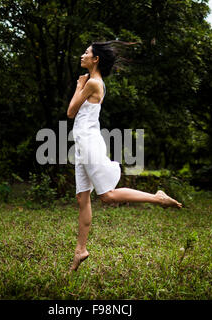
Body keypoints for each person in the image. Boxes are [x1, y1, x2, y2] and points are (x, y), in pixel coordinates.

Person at [67, 41, 183, 272]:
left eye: (87, 53)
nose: (83, 55)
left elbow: (70, 112)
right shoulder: (92, 82)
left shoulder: (92, 83)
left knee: (107, 196)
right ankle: (81, 250)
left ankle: (157, 198)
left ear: (96, 59)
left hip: (89, 144)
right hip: (81, 145)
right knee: (82, 199)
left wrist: (78, 86)